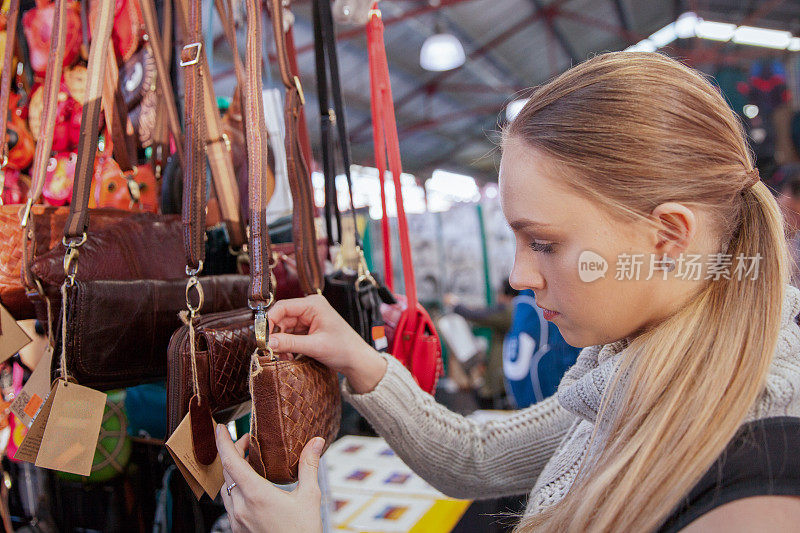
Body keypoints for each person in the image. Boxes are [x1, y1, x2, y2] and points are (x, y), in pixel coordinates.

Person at [214, 52, 800, 532]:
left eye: (543, 243)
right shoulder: (630, 368)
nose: (519, 276)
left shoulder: (756, 476)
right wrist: (360, 360)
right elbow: (479, 456)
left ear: (668, 235)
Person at [443, 280, 518, 405]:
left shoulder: (509, 311)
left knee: (487, 399)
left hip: (500, 376)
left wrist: (455, 304)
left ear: (506, 295)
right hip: (505, 372)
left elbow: (477, 315)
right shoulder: (518, 310)